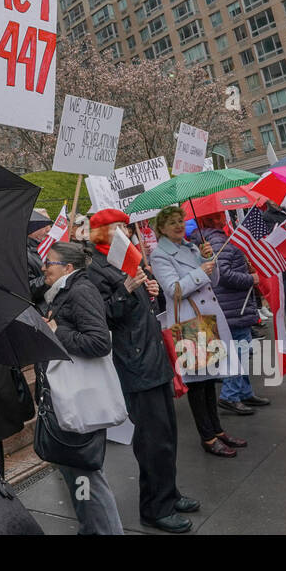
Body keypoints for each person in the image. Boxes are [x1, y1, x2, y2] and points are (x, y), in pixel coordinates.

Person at [86, 208, 198, 533]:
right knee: (152, 439)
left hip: (152, 356)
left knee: (167, 434)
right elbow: (104, 316)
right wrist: (128, 288)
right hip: (134, 363)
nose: (126, 232)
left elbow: (138, 308)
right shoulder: (96, 270)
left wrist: (148, 293)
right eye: (118, 228)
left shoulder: (128, 260)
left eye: (126, 227)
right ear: (102, 233)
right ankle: (155, 508)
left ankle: (169, 492)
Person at [39, 241, 123, 534]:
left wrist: (56, 331)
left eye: (49, 262)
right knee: (76, 472)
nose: (43, 267)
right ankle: (91, 528)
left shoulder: (80, 290)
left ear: (68, 268)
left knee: (86, 474)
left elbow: (99, 342)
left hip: (79, 399)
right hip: (72, 398)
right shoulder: (63, 292)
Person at [150, 206, 245, 460]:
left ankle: (217, 430)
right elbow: (173, 290)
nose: (179, 226)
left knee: (210, 380)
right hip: (190, 323)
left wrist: (208, 260)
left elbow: (213, 283)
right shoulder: (159, 255)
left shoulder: (192, 247)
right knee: (198, 385)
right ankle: (208, 437)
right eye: (172, 223)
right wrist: (199, 271)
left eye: (180, 221)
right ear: (161, 228)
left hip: (207, 320)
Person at [197, 212, 268, 415]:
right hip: (231, 306)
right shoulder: (218, 240)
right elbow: (224, 275)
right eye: (221, 216)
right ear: (215, 219)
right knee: (238, 351)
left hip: (231, 305)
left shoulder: (214, 239)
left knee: (241, 348)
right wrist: (250, 279)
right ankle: (230, 394)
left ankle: (243, 391)